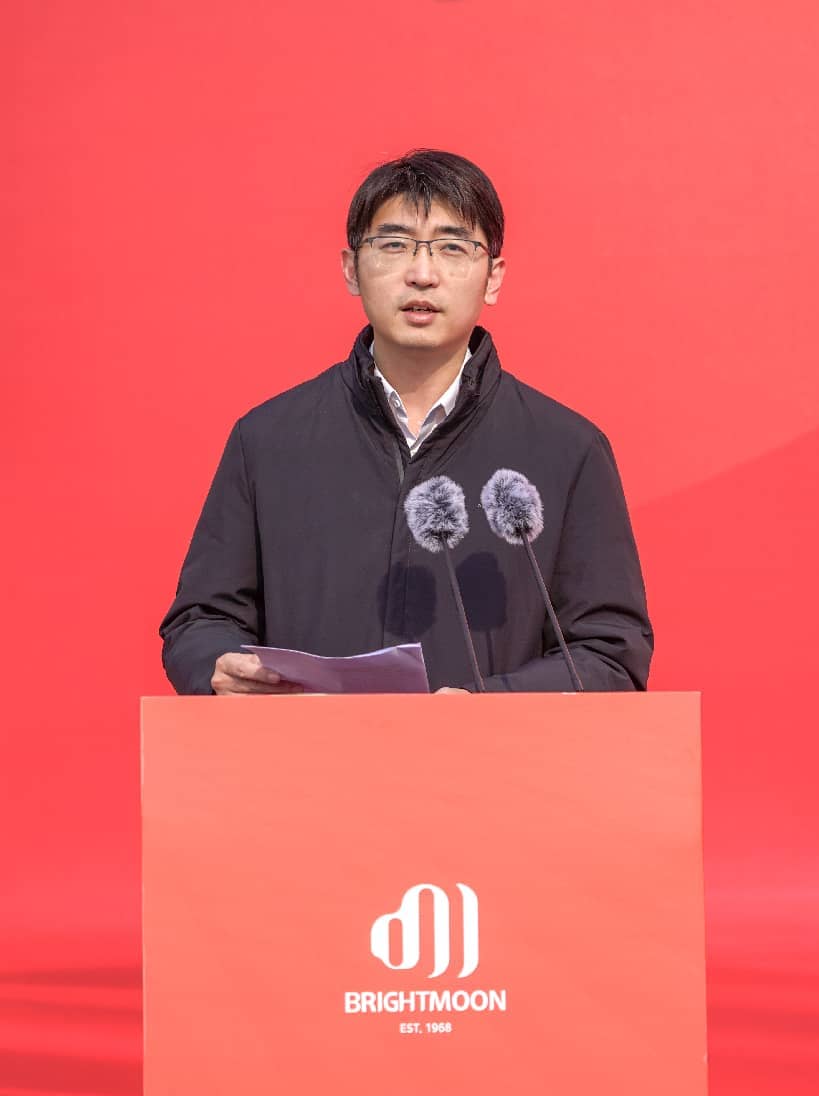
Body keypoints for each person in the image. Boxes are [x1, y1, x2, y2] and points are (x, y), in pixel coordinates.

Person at [160, 150, 652, 695]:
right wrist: (216, 666)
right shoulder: (269, 440)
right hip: (305, 748)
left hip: (488, 750)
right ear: (351, 268)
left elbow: (609, 651)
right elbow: (201, 620)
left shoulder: (567, 450)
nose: (422, 274)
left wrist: (489, 706)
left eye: (453, 247)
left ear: (493, 278)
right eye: (394, 245)